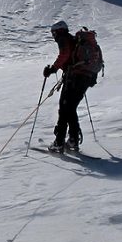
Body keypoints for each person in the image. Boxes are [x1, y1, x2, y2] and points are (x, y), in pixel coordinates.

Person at [43, 21, 96, 152]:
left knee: (65, 108)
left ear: (58, 31)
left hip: (75, 77)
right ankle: (72, 140)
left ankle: (59, 142)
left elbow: (64, 54)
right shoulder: (74, 40)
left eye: (53, 33)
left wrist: (53, 68)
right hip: (85, 78)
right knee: (70, 108)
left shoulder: (64, 38)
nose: (53, 36)